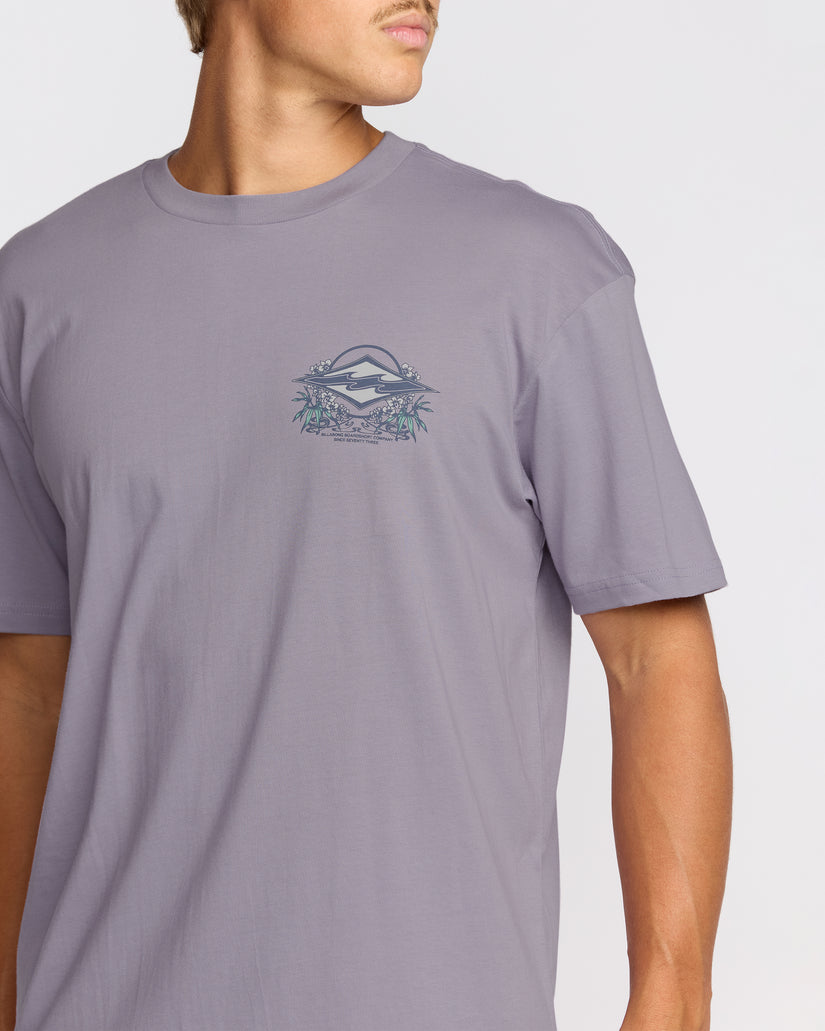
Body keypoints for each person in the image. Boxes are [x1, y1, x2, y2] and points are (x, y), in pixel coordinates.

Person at [0, 0, 733, 1028]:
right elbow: (29, 682)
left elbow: (654, 656)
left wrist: (674, 998)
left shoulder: (536, 269)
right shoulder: (37, 290)